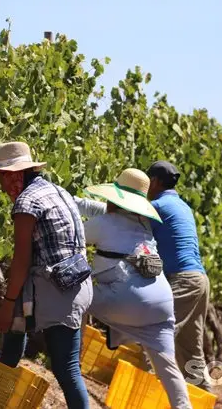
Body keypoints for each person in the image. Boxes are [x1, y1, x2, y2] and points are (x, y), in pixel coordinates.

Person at [0, 141, 92, 409]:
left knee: (66, 369)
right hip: (77, 284)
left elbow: (22, 260)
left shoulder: (27, 202)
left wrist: (7, 304)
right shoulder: (58, 191)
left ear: (13, 175)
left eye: (0, 179)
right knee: (15, 338)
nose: (1, 187)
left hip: (57, 290)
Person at [74, 168, 193, 409]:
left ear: (114, 199)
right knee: (168, 369)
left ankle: (69, 360)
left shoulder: (105, 223)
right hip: (161, 304)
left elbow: (71, 235)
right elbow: (98, 210)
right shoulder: (144, 226)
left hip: (127, 300)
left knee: (73, 293)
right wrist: (73, 201)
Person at [145, 161, 212, 393]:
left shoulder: (156, 206)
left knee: (154, 332)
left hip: (183, 279)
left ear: (154, 182)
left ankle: (144, 390)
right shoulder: (181, 205)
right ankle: (205, 398)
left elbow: (129, 229)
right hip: (199, 280)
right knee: (190, 350)